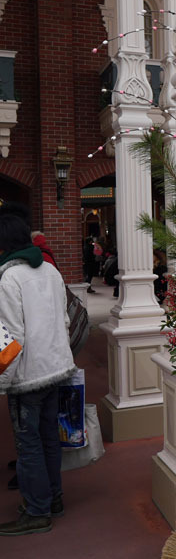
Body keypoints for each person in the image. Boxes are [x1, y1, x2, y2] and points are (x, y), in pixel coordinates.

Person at [0, 215, 75, 536]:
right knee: (48, 438)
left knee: (28, 443)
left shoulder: (8, 280)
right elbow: (66, 321)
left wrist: (4, 382)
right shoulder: (51, 271)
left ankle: (37, 510)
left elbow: (11, 336)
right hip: (56, 368)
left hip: (28, 375)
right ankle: (52, 499)